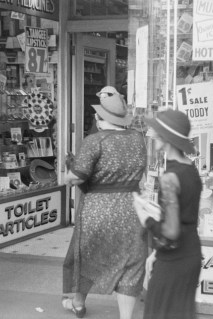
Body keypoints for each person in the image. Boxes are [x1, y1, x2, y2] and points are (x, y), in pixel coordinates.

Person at [62, 86, 147, 319]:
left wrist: (67, 176)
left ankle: (78, 304)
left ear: (99, 119)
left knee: (88, 255)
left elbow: (79, 175)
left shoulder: (94, 140)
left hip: (98, 208)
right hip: (131, 207)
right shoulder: (138, 138)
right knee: (130, 262)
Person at [135, 109, 203, 319]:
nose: (152, 134)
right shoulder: (190, 169)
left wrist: (145, 217)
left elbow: (171, 231)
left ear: (167, 138)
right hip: (190, 253)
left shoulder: (170, 178)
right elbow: (184, 218)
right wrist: (156, 253)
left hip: (174, 259)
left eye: (157, 131)